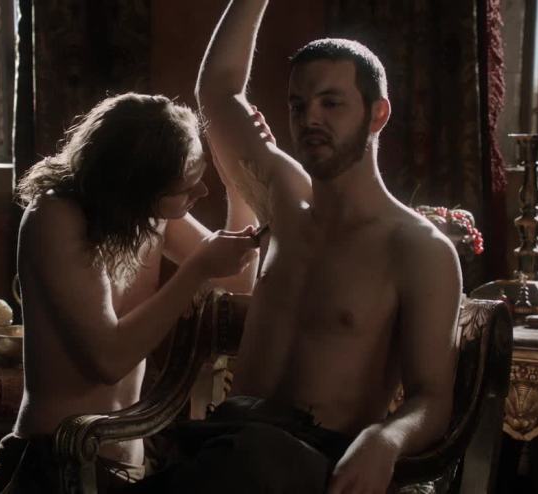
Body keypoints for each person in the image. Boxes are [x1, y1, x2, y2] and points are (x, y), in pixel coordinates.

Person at [131, 1, 463, 493]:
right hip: (230, 447)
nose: (311, 119)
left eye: (331, 103)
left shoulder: (417, 248)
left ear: (378, 114)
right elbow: (218, 91)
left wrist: (387, 438)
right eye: (298, 105)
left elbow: (431, 399)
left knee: (250, 459)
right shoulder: (285, 201)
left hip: (312, 463)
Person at [0, 92, 260, 493]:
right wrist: (196, 270)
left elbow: (238, 282)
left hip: (127, 463)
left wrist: (239, 182)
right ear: (135, 186)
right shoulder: (55, 217)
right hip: (53, 464)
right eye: (185, 187)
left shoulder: (150, 214)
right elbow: (107, 360)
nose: (201, 193)